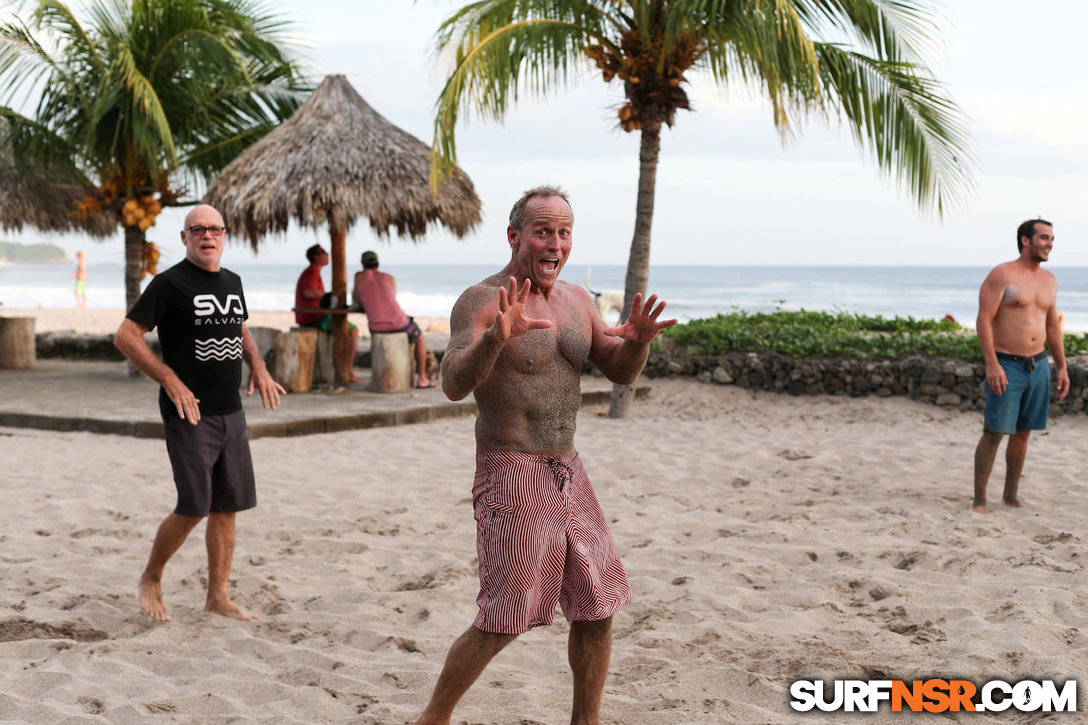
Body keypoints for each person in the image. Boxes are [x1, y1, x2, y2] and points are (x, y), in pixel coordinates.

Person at [413, 186, 676, 724]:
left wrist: (640, 342)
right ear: (515, 237)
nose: (555, 243)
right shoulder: (483, 300)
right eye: (542, 231)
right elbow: (452, 384)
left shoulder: (578, 302)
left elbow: (618, 370)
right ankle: (432, 720)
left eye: (564, 232)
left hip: (569, 471)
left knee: (599, 607)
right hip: (511, 473)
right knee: (503, 619)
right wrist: (493, 341)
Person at [114, 204, 286, 622]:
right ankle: (151, 576)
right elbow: (125, 336)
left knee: (227, 507)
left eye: (215, 230)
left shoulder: (232, 282)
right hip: (188, 414)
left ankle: (217, 597)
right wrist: (168, 380)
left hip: (231, 411)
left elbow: (238, 326)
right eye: (198, 230)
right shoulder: (168, 284)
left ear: (224, 235)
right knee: (193, 505)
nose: (207, 236)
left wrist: (259, 367)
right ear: (185, 237)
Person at [972, 218, 1069, 514]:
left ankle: (1010, 495)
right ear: (1026, 240)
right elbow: (983, 320)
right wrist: (992, 364)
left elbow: (1052, 327)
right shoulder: (1003, 274)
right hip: (1006, 365)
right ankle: (979, 499)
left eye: (1051, 238)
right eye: (1043, 237)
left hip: (1038, 364)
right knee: (995, 431)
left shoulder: (1049, 280)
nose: (1049, 243)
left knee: (1024, 432)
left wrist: (1062, 367)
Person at [352, 250, 434, 388]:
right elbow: (390, 298)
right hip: (399, 323)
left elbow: (359, 300)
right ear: (378, 263)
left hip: (375, 326)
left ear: (362, 264)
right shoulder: (389, 277)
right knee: (419, 337)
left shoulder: (359, 278)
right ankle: (422, 378)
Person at [294, 244, 361, 383]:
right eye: (323, 252)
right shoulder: (312, 271)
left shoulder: (313, 272)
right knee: (352, 331)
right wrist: (326, 296)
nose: (327, 255)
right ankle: (347, 371)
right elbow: (309, 292)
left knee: (344, 329)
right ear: (316, 257)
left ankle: (342, 369)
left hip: (314, 315)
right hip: (313, 317)